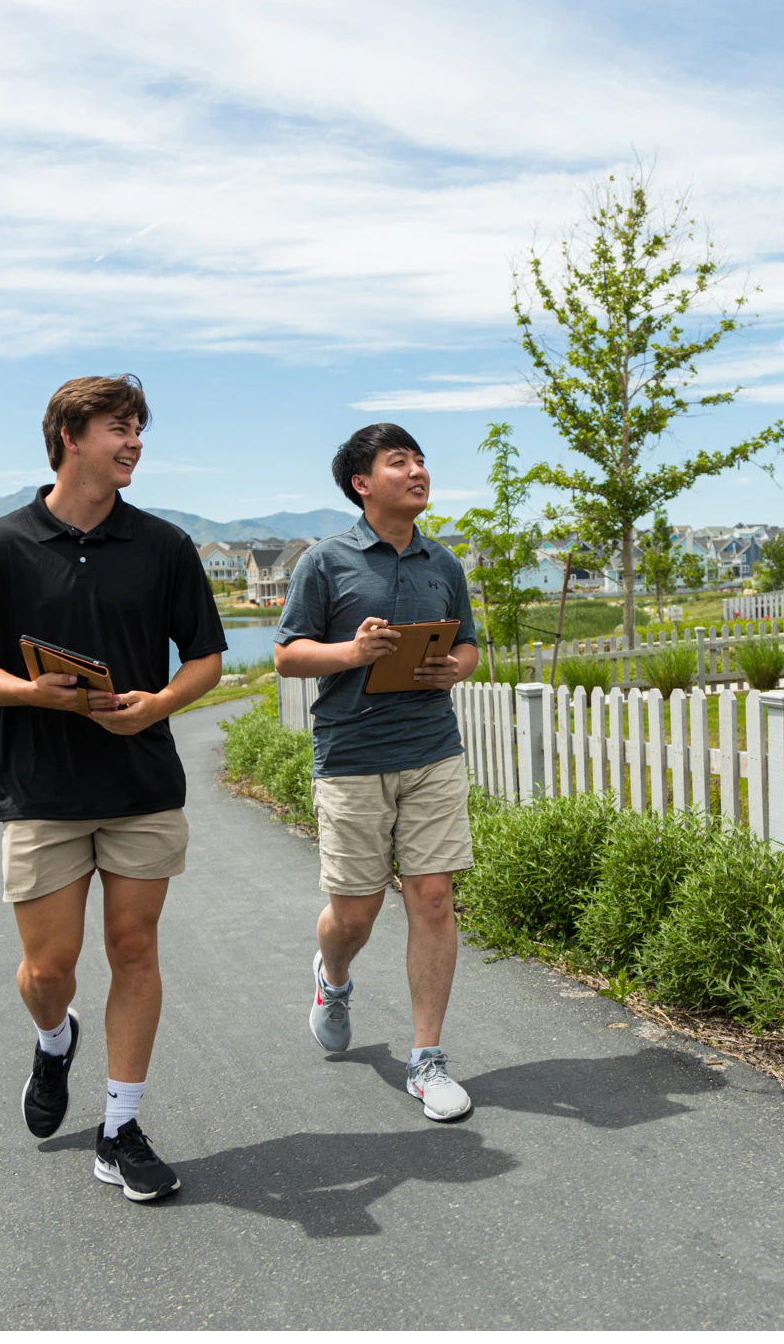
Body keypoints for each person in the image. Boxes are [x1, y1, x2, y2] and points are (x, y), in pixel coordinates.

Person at [0, 374, 226, 1201]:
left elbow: (207, 658)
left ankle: (121, 1127)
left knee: (134, 949)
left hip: (142, 781)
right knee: (50, 967)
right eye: (120, 426)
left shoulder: (166, 546)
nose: (135, 440)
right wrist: (33, 692)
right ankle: (52, 1036)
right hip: (41, 789)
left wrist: (161, 703)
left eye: (139, 427)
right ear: (71, 435)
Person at [272, 422, 480, 1121]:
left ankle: (427, 1059)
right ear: (362, 483)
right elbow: (288, 655)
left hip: (432, 751)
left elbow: (470, 646)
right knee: (356, 912)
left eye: (421, 459)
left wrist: (452, 668)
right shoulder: (325, 562)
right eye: (400, 462)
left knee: (432, 898)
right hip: (353, 758)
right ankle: (333, 978)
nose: (418, 470)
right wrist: (350, 655)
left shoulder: (442, 564)